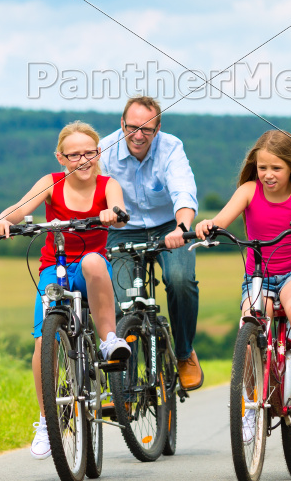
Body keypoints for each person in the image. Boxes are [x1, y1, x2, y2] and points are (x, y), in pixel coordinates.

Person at [0, 121, 131, 460]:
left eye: (90, 152)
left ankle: (109, 338)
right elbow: (21, 208)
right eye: (74, 154)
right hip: (56, 266)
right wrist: (3, 219)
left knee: (95, 263)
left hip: (91, 266)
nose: (83, 159)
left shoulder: (107, 184)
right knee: (43, 341)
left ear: (99, 153)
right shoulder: (51, 184)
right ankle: (46, 419)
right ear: (61, 157)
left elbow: (117, 207)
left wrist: (112, 214)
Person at [195, 129, 291, 420]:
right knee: (250, 325)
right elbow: (221, 220)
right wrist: (208, 225)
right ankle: (248, 405)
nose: (268, 175)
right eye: (262, 168)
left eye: (276, 168)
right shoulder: (248, 191)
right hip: (257, 276)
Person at [98, 95, 205, 391]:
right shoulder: (105, 150)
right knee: (123, 300)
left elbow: (184, 192)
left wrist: (183, 227)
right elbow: (97, 194)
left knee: (180, 279)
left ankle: (184, 353)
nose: (139, 135)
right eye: (132, 127)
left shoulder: (171, 147)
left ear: (158, 129)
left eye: (147, 129)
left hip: (169, 226)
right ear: (122, 124)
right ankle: (124, 380)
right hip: (124, 230)